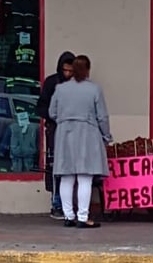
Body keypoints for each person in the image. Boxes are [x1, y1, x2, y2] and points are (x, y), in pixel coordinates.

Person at [49, 55, 112, 228]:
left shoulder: (60, 89)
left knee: (67, 177)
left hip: (64, 133)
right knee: (85, 178)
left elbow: (52, 112)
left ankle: (68, 217)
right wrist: (106, 136)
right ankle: (83, 218)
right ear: (87, 70)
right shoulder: (94, 89)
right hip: (87, 133)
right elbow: (102, 117)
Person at [36, 51, 75, 219]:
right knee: (56, 168)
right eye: (65, 70)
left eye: (70, 71)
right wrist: (55, 116)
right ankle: (57, 203)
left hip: (74, 132)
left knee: (73, 169)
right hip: (55, 130)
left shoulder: (78, 84)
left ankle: (70, 205)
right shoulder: (52, 82)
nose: (67, 74)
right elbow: (41, 107)